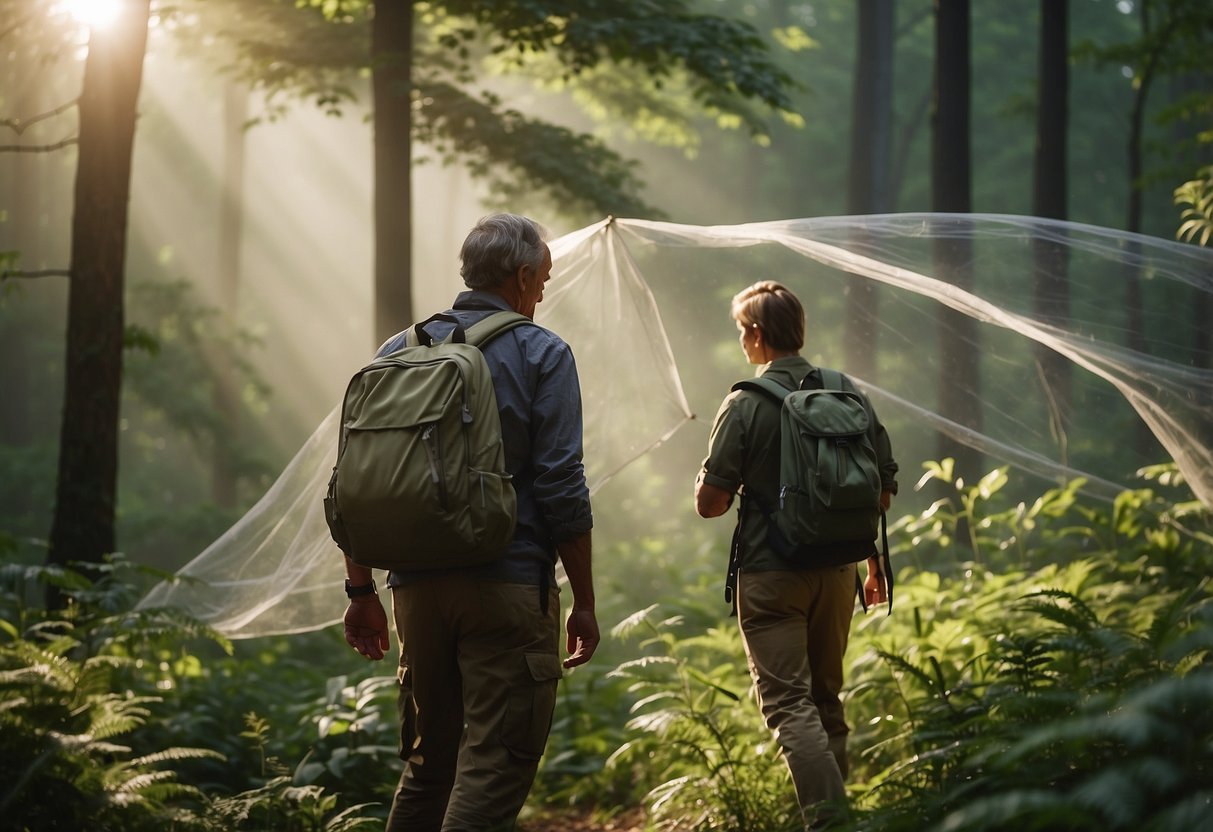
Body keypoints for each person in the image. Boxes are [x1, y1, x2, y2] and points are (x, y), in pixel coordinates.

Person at [340, 213, 599, 832]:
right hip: (506, 586)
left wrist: (360, 591)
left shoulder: (398, 350)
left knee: (429, 769)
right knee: (492, 769)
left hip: (414, 592)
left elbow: (355, 483)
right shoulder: (543, 352)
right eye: (542, 281)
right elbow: (561, 484)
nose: (542, 294)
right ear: (522, 275)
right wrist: (584, 600)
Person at [693, 280, 897, 829]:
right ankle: (836, 813)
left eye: (742, 331)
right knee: (826, 699)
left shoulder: (744, 402)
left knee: (789, 706)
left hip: (771, 572)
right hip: (838, 571)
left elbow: (710, 504)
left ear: (757, 334)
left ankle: (832, 824)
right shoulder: (846, 392)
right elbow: (881, 486)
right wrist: (873, 562)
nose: (742, 342)